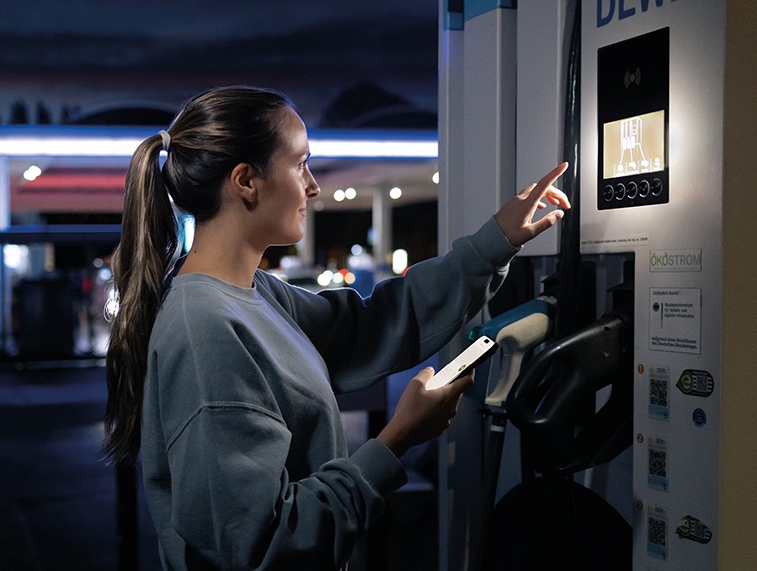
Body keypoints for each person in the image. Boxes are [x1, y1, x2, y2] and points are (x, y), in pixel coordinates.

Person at [104, 86, 569, 570]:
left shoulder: (256, 293)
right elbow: (262, 547)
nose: (313, 186)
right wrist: (398, 438)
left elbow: (370, 325)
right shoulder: (205, 330)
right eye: (300, 163)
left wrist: (494, 242)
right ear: (246, 181)